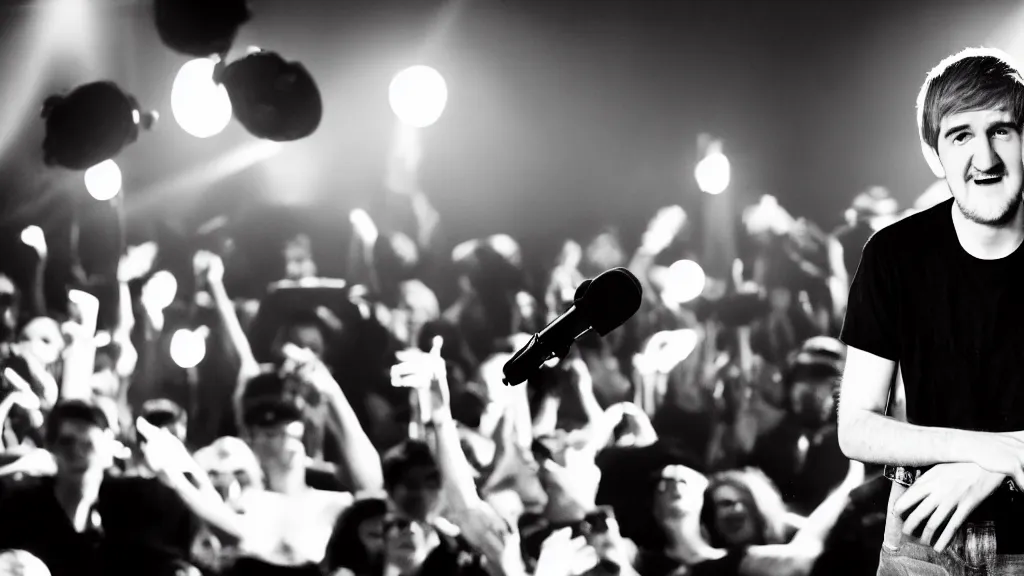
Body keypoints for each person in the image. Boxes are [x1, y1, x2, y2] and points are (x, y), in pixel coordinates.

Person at [837, 46, 1024, 574]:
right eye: (960, 135)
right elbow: (856, 428)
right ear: (933, 153)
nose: (984, 158)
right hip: (921, 542)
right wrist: (1003, 452)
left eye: (1002, 131)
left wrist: (996, 462)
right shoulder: (893, 254)